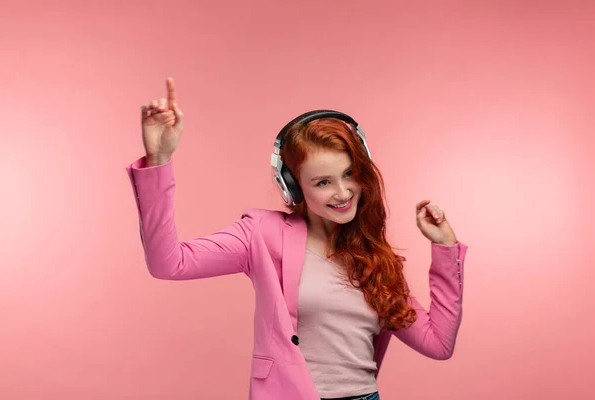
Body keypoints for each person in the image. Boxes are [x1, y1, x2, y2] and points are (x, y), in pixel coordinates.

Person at [126, 77, 469, 400]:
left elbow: (438, 343)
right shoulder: (261, 234)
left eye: (349, 174)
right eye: (323, 182)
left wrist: (445, 247)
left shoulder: (374, 257)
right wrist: (159, 161)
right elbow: (169, 263)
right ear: (293, 187)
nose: (342, 192)